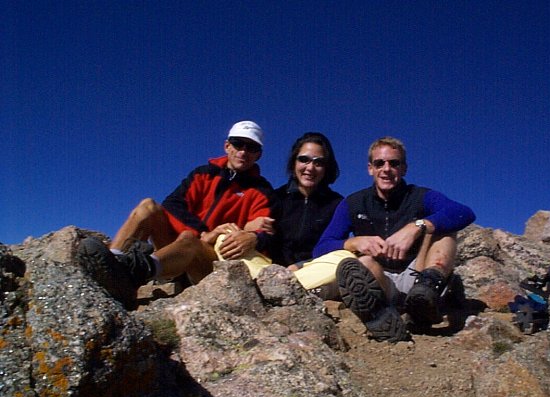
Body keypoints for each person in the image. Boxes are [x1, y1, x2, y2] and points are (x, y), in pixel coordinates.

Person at [78, 120, 273, 309]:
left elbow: (265, 229)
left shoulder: (261, 190)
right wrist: (204, 232)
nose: (243, 152)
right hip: (177, 248)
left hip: (211, 261)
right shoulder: (203, 174)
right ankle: (111, 266)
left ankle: (133, 272)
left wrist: (251, 237)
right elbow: (173, 205)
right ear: (227, 146)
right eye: (238, 144)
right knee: (148, 206)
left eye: (251, 148)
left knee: (190, 239)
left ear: (259, 155)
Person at [313, 136, 475, 342]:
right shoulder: (353, 203)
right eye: (380, 163)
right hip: (383, 281)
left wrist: (417, 226)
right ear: (370, 168)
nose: (386, 169)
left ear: (404, 168)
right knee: (360, 263)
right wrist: (355, 242)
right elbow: (321, 248)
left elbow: (463, 213)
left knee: (443, 228)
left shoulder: (420, 196)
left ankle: (425, 298)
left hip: (419, 274)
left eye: (394, 163)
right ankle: (385, 315)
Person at [244, 132, 355, 294]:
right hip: (269, 269)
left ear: (327, 167)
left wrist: (300, 266)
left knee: (347, 258)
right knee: (224, 239)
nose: (310, 167)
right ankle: (288, 287)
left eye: (319, 162)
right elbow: (262, 238)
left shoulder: (337, 203)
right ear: (294, 162)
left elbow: (333, 247)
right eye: (304, 159)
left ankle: (276, 288)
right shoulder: (275, 197)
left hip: (310, 269)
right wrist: (249, 230)